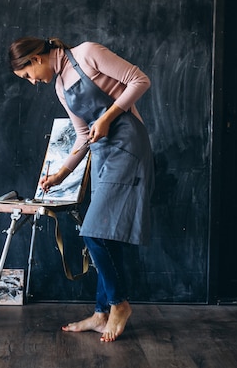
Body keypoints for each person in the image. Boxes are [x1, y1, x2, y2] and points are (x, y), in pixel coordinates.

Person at [8, 37, 154, 342]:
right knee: (106, 235)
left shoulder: (87, 53)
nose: (33, 82)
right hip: (102, 155)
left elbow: (140, 80)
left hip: (127, 145)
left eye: (27, 76)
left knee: (92, 232)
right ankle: (101, 314)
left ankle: (119, 304)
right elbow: (82, 135)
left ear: (36, 59)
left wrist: (108, 116)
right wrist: (62, 173)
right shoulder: (61, 87)